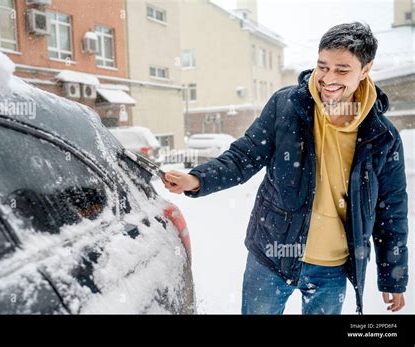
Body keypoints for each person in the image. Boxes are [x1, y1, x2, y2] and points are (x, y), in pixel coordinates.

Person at [162, 22, 408, 314]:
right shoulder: (287, 105)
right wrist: (198, 179)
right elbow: (245, 155)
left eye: (342, 70)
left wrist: (393, 277)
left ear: (365, 69)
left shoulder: (382, 136)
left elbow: (391, 209)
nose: (328, 78)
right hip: (271, 255)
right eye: (322, 66)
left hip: (332, 268)